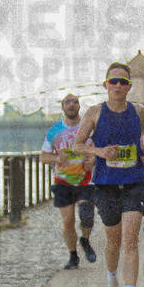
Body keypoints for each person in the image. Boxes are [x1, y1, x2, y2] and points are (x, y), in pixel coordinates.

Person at [72, 62, 144, 287]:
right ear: (105, 85)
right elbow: (77, 145)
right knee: (113, 242)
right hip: (106, 183)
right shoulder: (95, 113)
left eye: (123, 82)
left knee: (131, 240)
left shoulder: (138, 111)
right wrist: (99, 152)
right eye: (113, 81)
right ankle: (112, 284)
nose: (118, 85)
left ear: (129, 86)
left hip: (134, 180)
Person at [40, 93, 97, 269]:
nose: (71, 105)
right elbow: (43, 156)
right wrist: (56, 160)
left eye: (75, 102)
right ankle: (73, 256)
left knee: (87, 215)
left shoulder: (89, 128)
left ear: (79, 106)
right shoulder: (55, 131)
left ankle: (85, 240)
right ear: (63, 107)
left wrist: (93, 160)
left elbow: (100, 150)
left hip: (86, 179)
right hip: (63, 181)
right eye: (68, 102)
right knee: (68, 222)